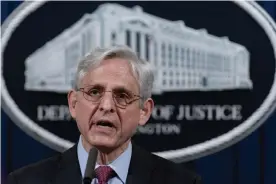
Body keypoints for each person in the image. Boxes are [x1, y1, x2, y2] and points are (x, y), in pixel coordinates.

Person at [7, 45, 201, 184]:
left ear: (144, 111)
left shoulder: (181, 181)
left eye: (122, 95)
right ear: (74, 104)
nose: (106, 106)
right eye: (94, 92)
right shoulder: (25, 181)